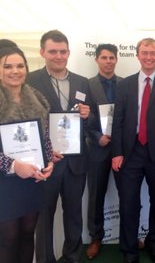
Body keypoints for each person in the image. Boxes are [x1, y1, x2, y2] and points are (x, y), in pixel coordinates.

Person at [111, 38, 155, 263]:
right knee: (128, 203)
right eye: (144, 53)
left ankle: (154, 244)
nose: (148, 57)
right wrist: (117, 152)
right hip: (130, 154)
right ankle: (129, 251)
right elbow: (118, 121)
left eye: (153, 53)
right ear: (137, 56)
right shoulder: (125, 85)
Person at [27, 30, 92, 263]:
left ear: (68, 53)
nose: (58, 56)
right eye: (53, 51)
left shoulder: (81, 81)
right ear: (43, 52)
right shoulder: (30, 80)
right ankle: (46, 259)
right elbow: (25, 121)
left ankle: (73, 257)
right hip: (46, 162)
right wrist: (43, 150)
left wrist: (87, 115)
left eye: (62, 51)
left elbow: (92, 121)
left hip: (76, 162)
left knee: (74, 214)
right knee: (44, 217)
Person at [0, 46, 54, 263]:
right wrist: (13, 166)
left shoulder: (37, 99)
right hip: (4, 183)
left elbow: (45, 138)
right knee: (8, 237)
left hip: (32, 179)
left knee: (27, 233)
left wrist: (49, 162)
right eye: (8, 66)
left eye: (20, 65)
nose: (15, 71)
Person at [86, 44, 127, 259]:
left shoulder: (125, 84)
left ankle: (129, 235)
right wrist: (97, 137)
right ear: (96, 59)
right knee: (96, 196)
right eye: (104, 57)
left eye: (112, 57)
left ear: (116, 59)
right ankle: (96, 237)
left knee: (127, 194)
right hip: (98, 149)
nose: (108, 61)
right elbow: (82, 118)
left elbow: (130, 117)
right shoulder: (87, 85)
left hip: (122, 149)